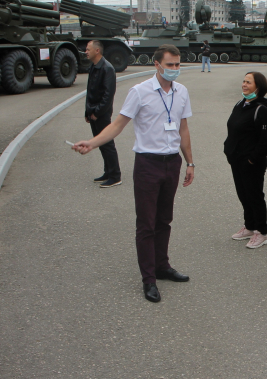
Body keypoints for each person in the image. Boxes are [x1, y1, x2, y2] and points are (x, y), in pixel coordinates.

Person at [72, 44, 194, 303]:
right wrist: (92, 144)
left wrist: (190, 163)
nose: (174, 69)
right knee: (146, 224)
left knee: (164, 220)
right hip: (148, 164)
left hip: (172, 163)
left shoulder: (181, 92)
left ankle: (162, 266)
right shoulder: (139, 92)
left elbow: (183, 129)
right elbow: (117, 125)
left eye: (177, 64)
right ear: (157, 64)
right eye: (170, 64)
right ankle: (148, 279)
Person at [225, 72, 267, 249]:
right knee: (243, 194)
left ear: (258, 87)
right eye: (243, 81)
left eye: (248, 82)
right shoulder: (241, 104)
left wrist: (252, 160)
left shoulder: (262, 110)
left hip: (252, 162)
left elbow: (264, 141)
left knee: (255, 195)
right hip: (236, 159)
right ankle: (250, 225)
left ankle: (261, 232)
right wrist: (228, 150)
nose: (244, 85)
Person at [84, 40, 121, 188]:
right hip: (93, 113)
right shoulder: (94, 67)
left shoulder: (107, 68)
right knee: (101, 144)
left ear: (97, 50)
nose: (86, 52)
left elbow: (108, 95)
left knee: (107, 144)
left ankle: (115, 176)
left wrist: (97, 112)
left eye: (88, 49)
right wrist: (87, 112)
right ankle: (108, 171)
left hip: (101, 114)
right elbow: (90, 91)